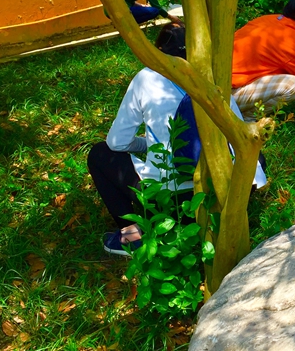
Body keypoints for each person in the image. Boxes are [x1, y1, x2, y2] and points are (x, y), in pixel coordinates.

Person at [88, 23, 266, 256]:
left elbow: (116, 142)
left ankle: (133, 236)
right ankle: (223, 218)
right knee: (256, 154)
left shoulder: (147, 77)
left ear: (157, 52)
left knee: (100, 154)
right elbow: (238, 135)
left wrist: (148, 144)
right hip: (223, 193)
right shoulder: (213, 76)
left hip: (170, 201)